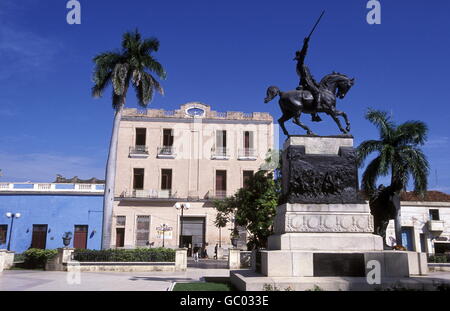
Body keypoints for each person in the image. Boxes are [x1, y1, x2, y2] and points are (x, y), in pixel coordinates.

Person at [294, 37, 322, 122]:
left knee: (317, 91)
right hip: (306, 84)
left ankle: (313, 115)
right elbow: (303, 54)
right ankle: (317, 109)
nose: (300, 58)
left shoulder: (305, 67)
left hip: (309, 82)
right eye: (299, 57)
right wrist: (305, 44)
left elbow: (311, 76)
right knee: (317, 92)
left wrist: (317, 83)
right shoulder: (300, 64)